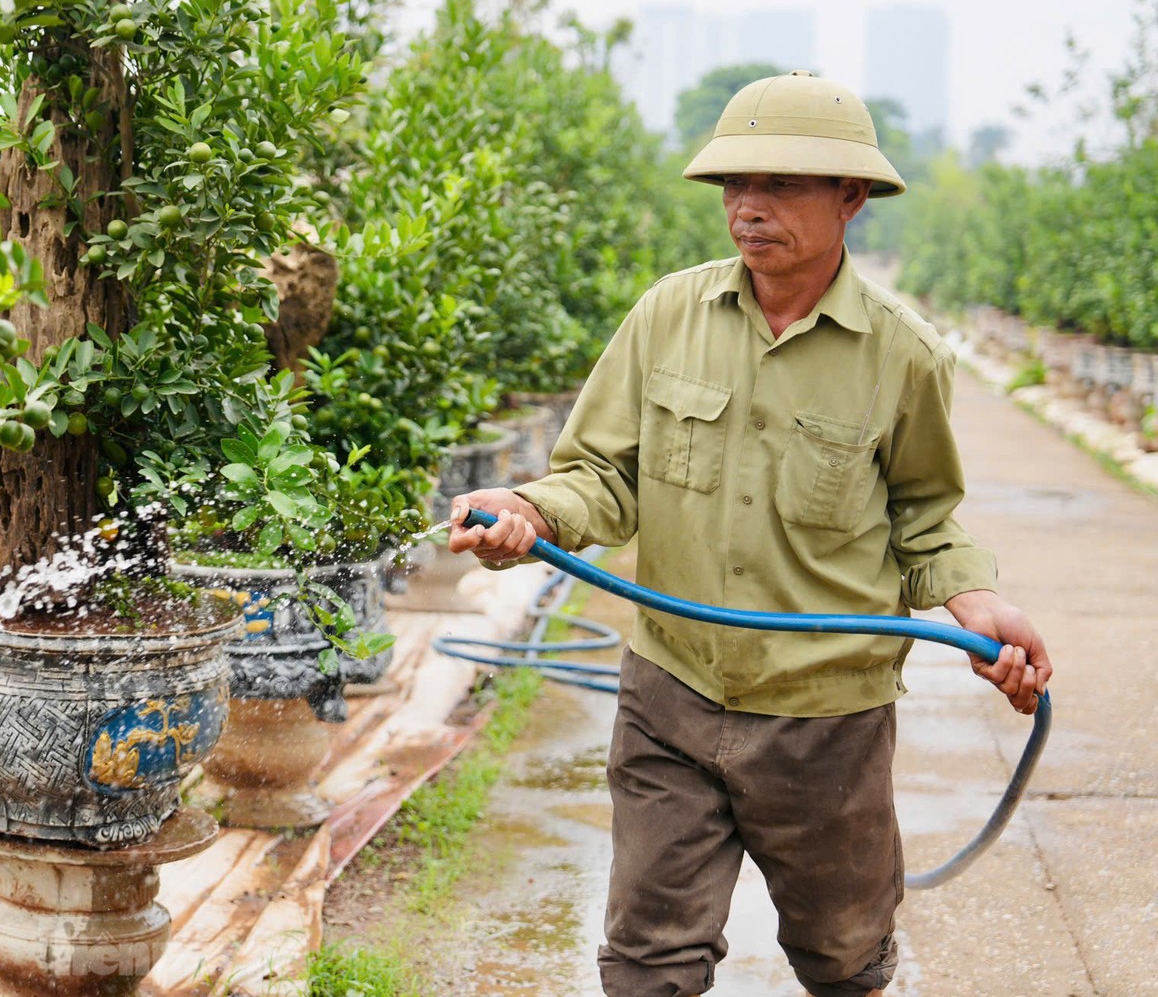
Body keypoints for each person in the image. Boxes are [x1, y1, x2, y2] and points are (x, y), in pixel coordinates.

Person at [447, 70, 1052, 997]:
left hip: (827, 724)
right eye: (735, 184)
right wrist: (533, 512)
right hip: (672, 694)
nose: (749, 207)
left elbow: (923, 518)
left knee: (845, 958)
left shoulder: (905, 355)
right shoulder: (667, 316)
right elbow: (603, 475)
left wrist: (980, 607)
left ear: (852, 198)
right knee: (648, 964)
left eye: (782, 185)